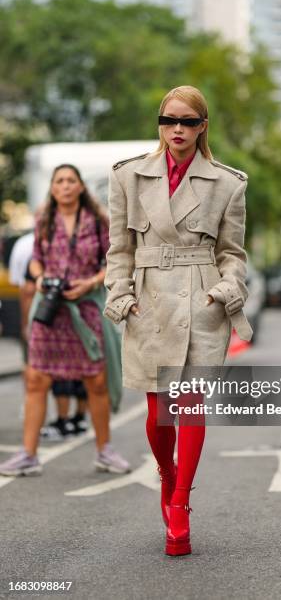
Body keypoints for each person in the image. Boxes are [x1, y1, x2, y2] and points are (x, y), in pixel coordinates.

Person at [103, 85, 253, 556]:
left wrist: (223, 292)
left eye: (189, 121)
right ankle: (167, 477)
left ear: (203, 126)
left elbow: (233, 254)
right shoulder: (128, 177)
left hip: (199, 303)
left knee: (188, 405)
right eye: (170, 120)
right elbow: (119, 249)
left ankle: (181, 504)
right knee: (156, 412)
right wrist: (121, 297)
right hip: (148, 303)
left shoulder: (228, 183)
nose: (178, 130)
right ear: (160, 124)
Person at [0, 164, 130, 477]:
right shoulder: (44, 217)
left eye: (71, 180)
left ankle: (105, 451)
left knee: (95, 380)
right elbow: (36, 260)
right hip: (50, 307)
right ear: (53, 188)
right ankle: (28, 455)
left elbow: (114, 262)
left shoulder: (99, 220)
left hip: (85, 307)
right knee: (36, 379)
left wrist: (90, 283)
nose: (66, 186)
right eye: (60, 181)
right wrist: (41, 278)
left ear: (81, 187)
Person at [8, 231, 89, 440]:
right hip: (82, 313)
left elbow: (25, 290)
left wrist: (26, 324)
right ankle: (78, 418)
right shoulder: (80, 239)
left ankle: (60, 420)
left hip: (47, 315)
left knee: (44, 370)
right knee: (83, 368)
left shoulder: (28, 245)